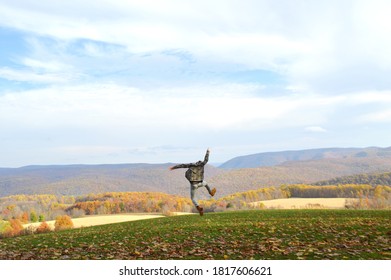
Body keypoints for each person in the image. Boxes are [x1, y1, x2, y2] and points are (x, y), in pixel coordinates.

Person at [169, 148, 216, 216]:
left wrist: (173, 167)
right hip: (200, 182)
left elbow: (182, 165)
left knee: (193, 198)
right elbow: (206, 159)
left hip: (194, 185)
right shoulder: (202, 164)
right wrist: (208, 151)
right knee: (206, 184)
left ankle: (198, 207)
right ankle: (210, 192)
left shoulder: (192, 165)